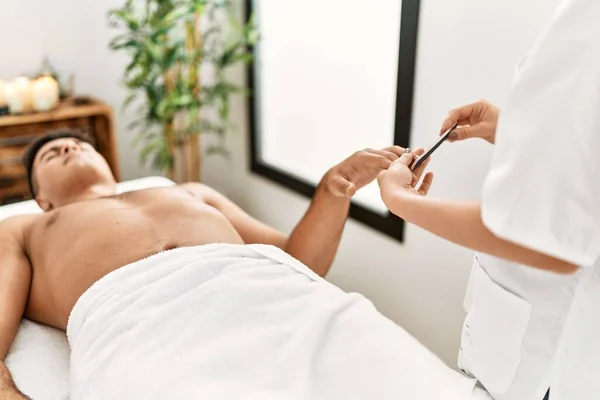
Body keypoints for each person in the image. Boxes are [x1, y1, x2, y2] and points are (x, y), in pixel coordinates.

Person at [0, 131, 470, 399]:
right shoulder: (22, 229)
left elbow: (300, 259)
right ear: (39, 196)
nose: (68, 149)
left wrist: (338, 182)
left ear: (107, 161)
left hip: (270, 295)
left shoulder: (188, 190)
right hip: (140, 327)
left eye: (78, 144)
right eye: (51, 154)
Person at [377, 1, 600, 399]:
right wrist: (514, 128)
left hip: (553, 361)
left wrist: (400, 202)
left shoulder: (590, 21)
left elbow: (538, 237)